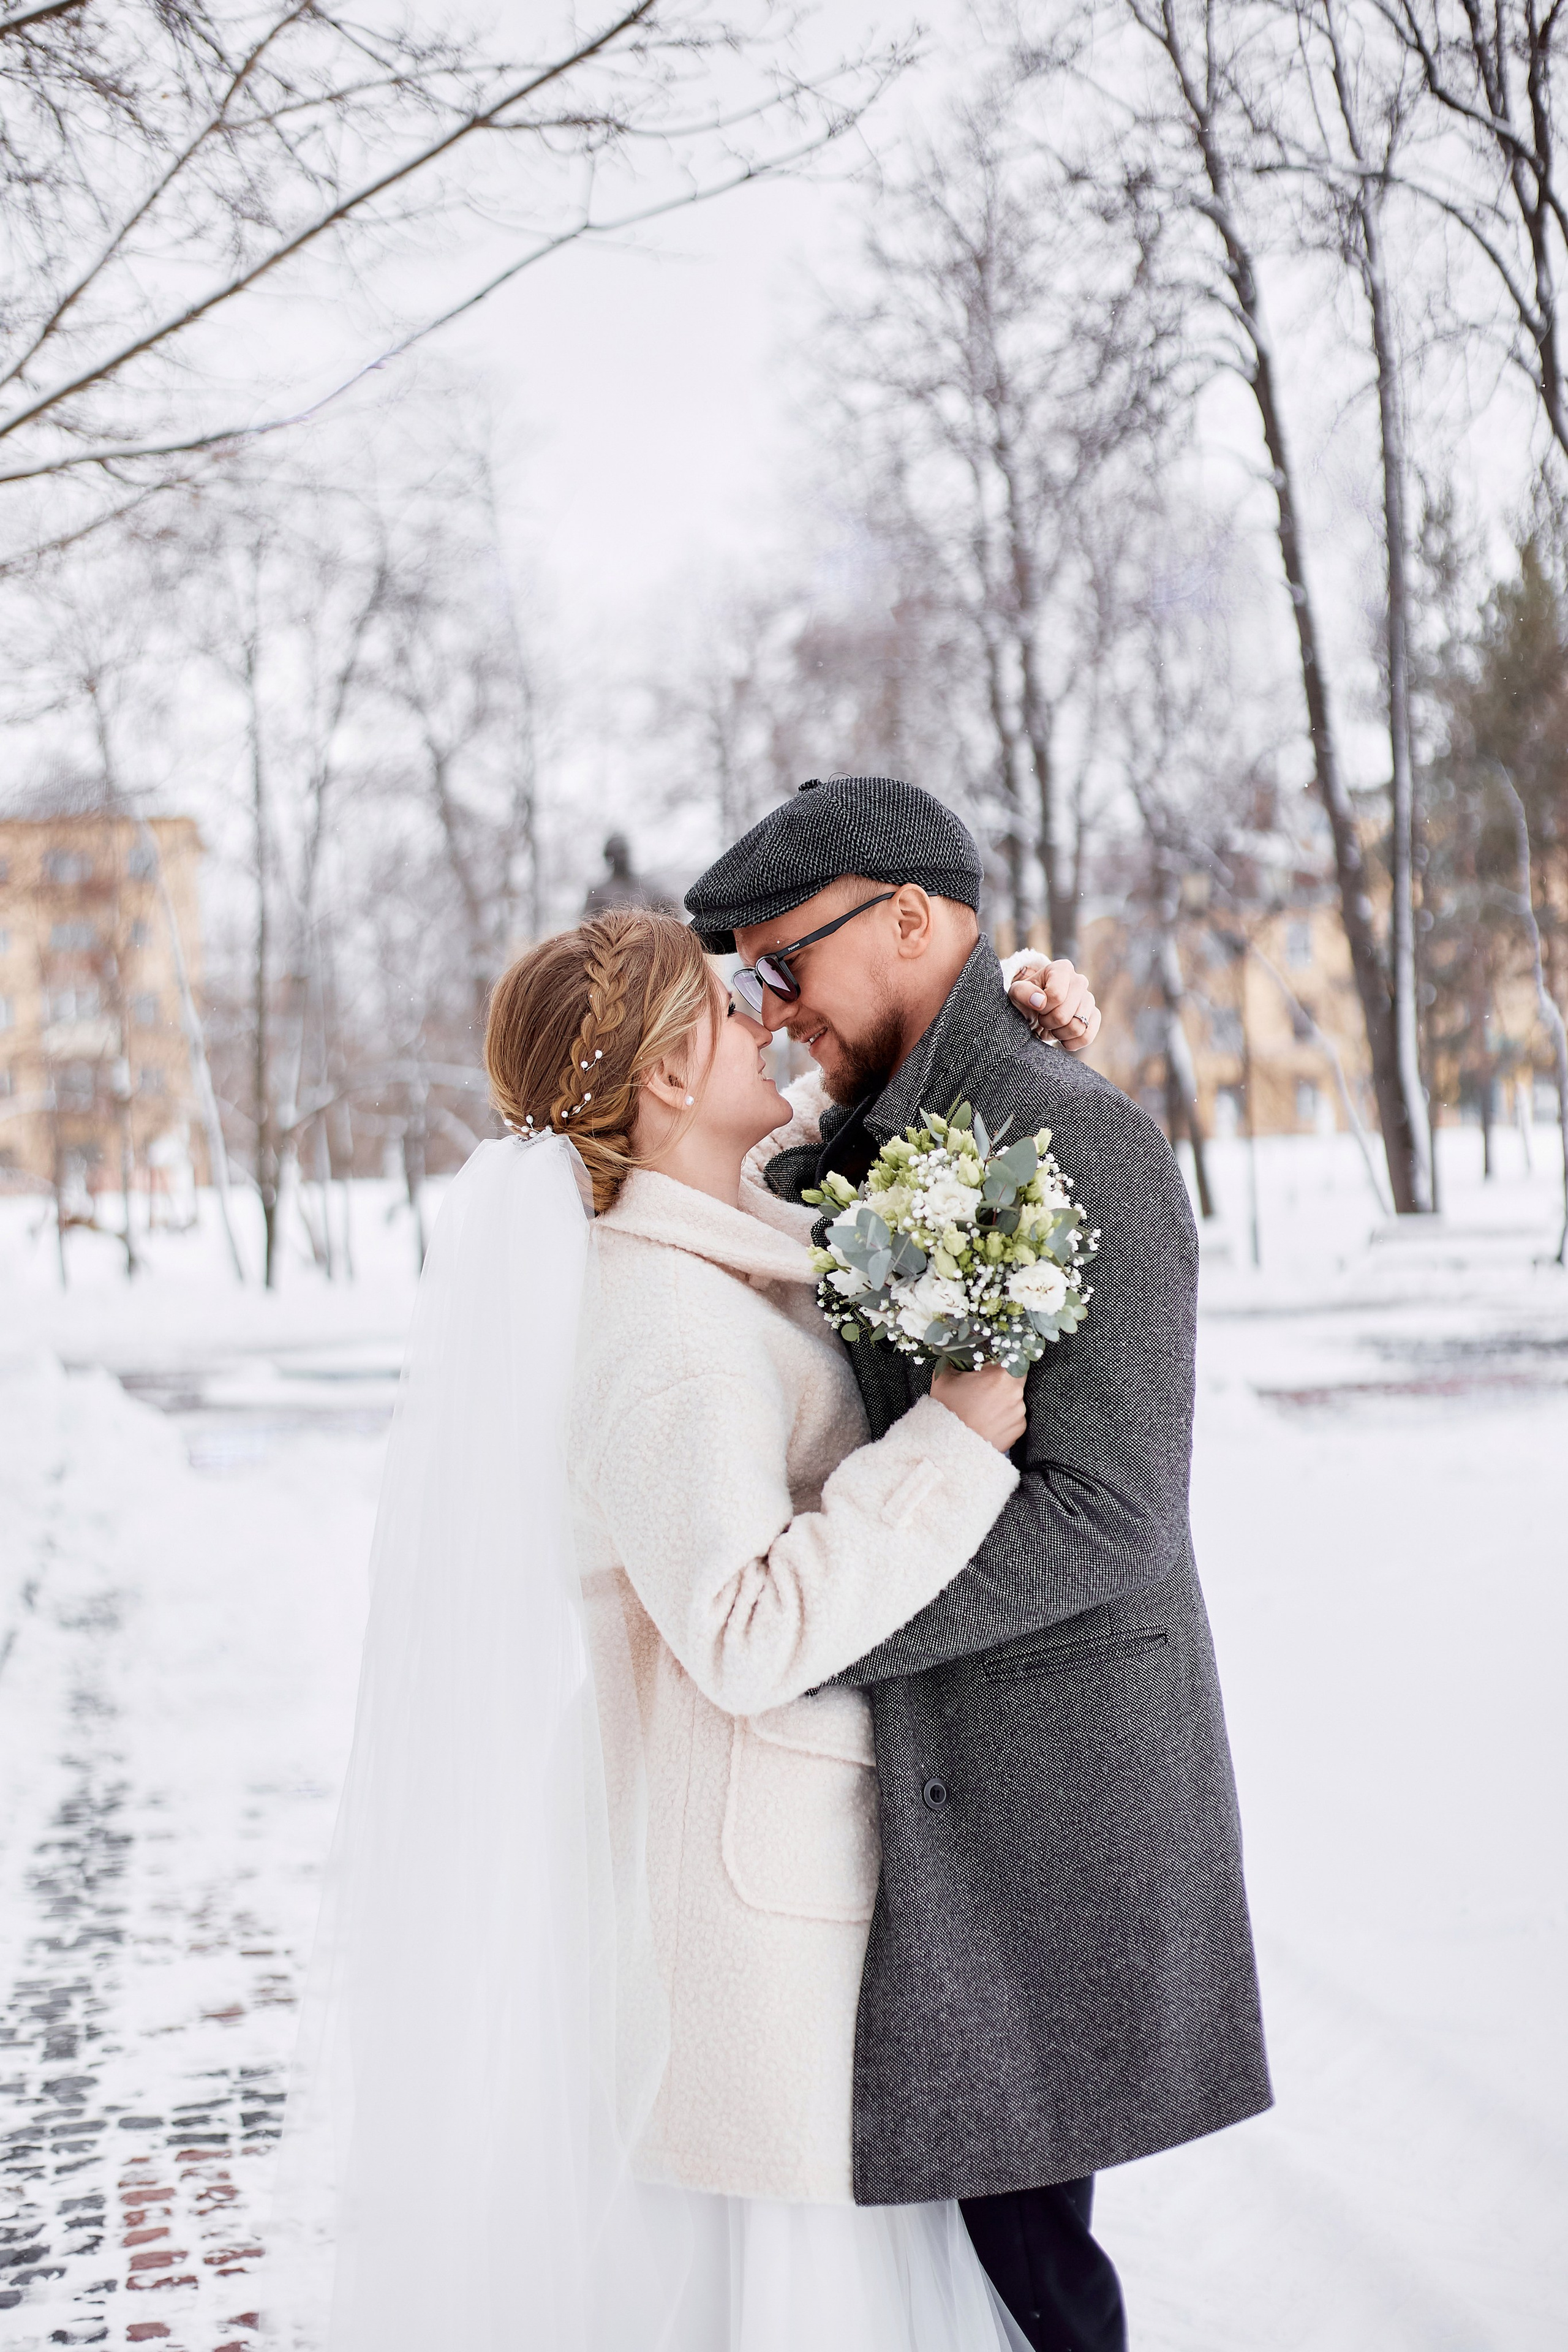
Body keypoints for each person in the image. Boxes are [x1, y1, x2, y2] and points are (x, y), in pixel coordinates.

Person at [271, 904, 1101, 2352]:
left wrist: (1002, 1047)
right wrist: (952, 1445)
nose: (766, 1014)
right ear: (660, 1079)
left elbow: (846, 1168)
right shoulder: (659, 1332)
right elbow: (740, 1629)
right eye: (729, 1003)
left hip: (792, 1893)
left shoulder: (718, 1233)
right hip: (759, 1937)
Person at [685, 774, 1273, 2352]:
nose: (771, 1006)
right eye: (746, 980)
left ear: (907, 920)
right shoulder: (872, 1141)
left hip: (1040, 1789)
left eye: (780, 965)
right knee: (953, 2258)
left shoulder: (1081, 1141)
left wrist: (813, 1634)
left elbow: (1115, 1510)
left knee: (1032, 2270)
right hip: (896, 1793)